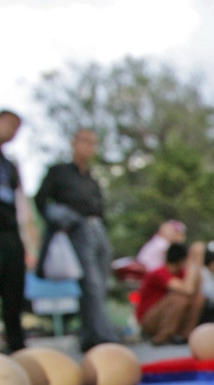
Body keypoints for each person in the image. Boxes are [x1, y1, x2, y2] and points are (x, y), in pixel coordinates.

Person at [35, 128, 123, 351]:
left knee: (101, 283)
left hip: (98, 228)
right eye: (84, 141)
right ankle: (104, 336)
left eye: (93, 142)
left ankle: (90, 334)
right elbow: (42, 199)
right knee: (90, 283)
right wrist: (59, 223)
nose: (88, 146)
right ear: (74, 143)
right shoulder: (59, 172)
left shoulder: (91, 178)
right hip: (76, 228)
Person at [0, 110, 38, 353]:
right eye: (10, 125)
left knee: (14, 288)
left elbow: (21, 204)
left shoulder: (9, 165)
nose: (14, 132)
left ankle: (16, 343)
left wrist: (29, 241)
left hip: (9, 232)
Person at [135, 241, 204, 344]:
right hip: (148, 319)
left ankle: (185, 335)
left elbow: (196, 289)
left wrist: (197, 264)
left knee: (197, 298)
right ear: (182, 260)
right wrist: (190, 264)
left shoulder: (180, 273)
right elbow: (188, 290)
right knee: (179, 299)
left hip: (165, 315)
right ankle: (163, 337)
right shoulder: (159, 273)